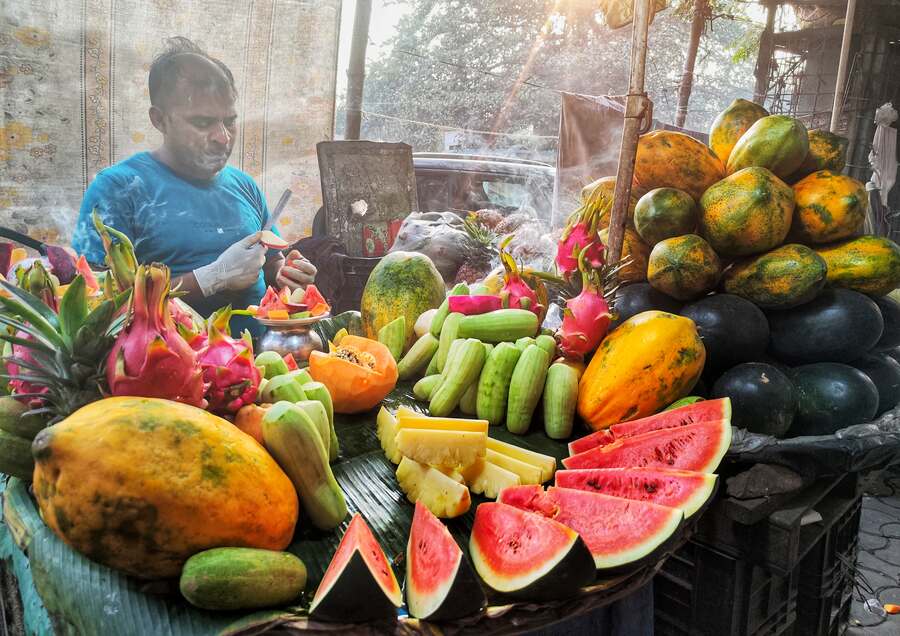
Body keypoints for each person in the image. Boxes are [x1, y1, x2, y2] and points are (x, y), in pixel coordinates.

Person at [71, 37, 316, 335]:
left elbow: (271, 260)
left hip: (261, 366)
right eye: (202, 123)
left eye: (230, 121)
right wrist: (211, 278)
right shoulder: (118, 189)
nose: (223, 137)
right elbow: (95, 303)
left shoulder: (244, 185)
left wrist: (285, 273)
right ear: (159, 120)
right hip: (168, 370)